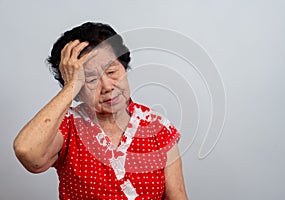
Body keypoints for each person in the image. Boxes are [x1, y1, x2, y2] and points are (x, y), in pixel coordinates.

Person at [13, 22, 188, 200]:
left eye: (112, 71)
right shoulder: (68, 126)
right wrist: (71, 85)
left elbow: (177, 195)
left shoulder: (158, 128)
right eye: (90, 80)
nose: (107, 86)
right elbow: (28, 153)